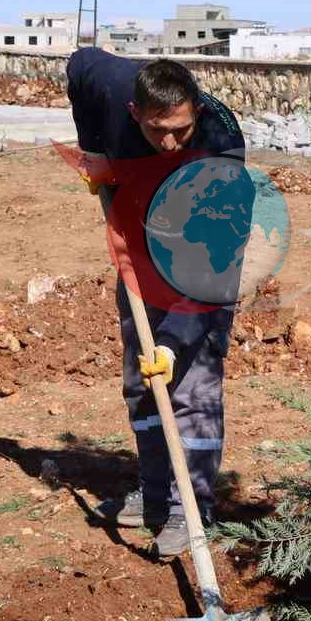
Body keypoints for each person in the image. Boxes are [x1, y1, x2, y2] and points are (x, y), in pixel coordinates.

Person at [65, 47, 246, 558]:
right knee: (140, 380)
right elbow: (79, 65)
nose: (168, 142)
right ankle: (153, 492)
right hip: (141, 237)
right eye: (156, 130)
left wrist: (172, 344)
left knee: (190, 381)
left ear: (198, 112)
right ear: (133, 111)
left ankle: (191, 510)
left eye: (181, 130)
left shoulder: (220, 149)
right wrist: (94, 150)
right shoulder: (111, 84)